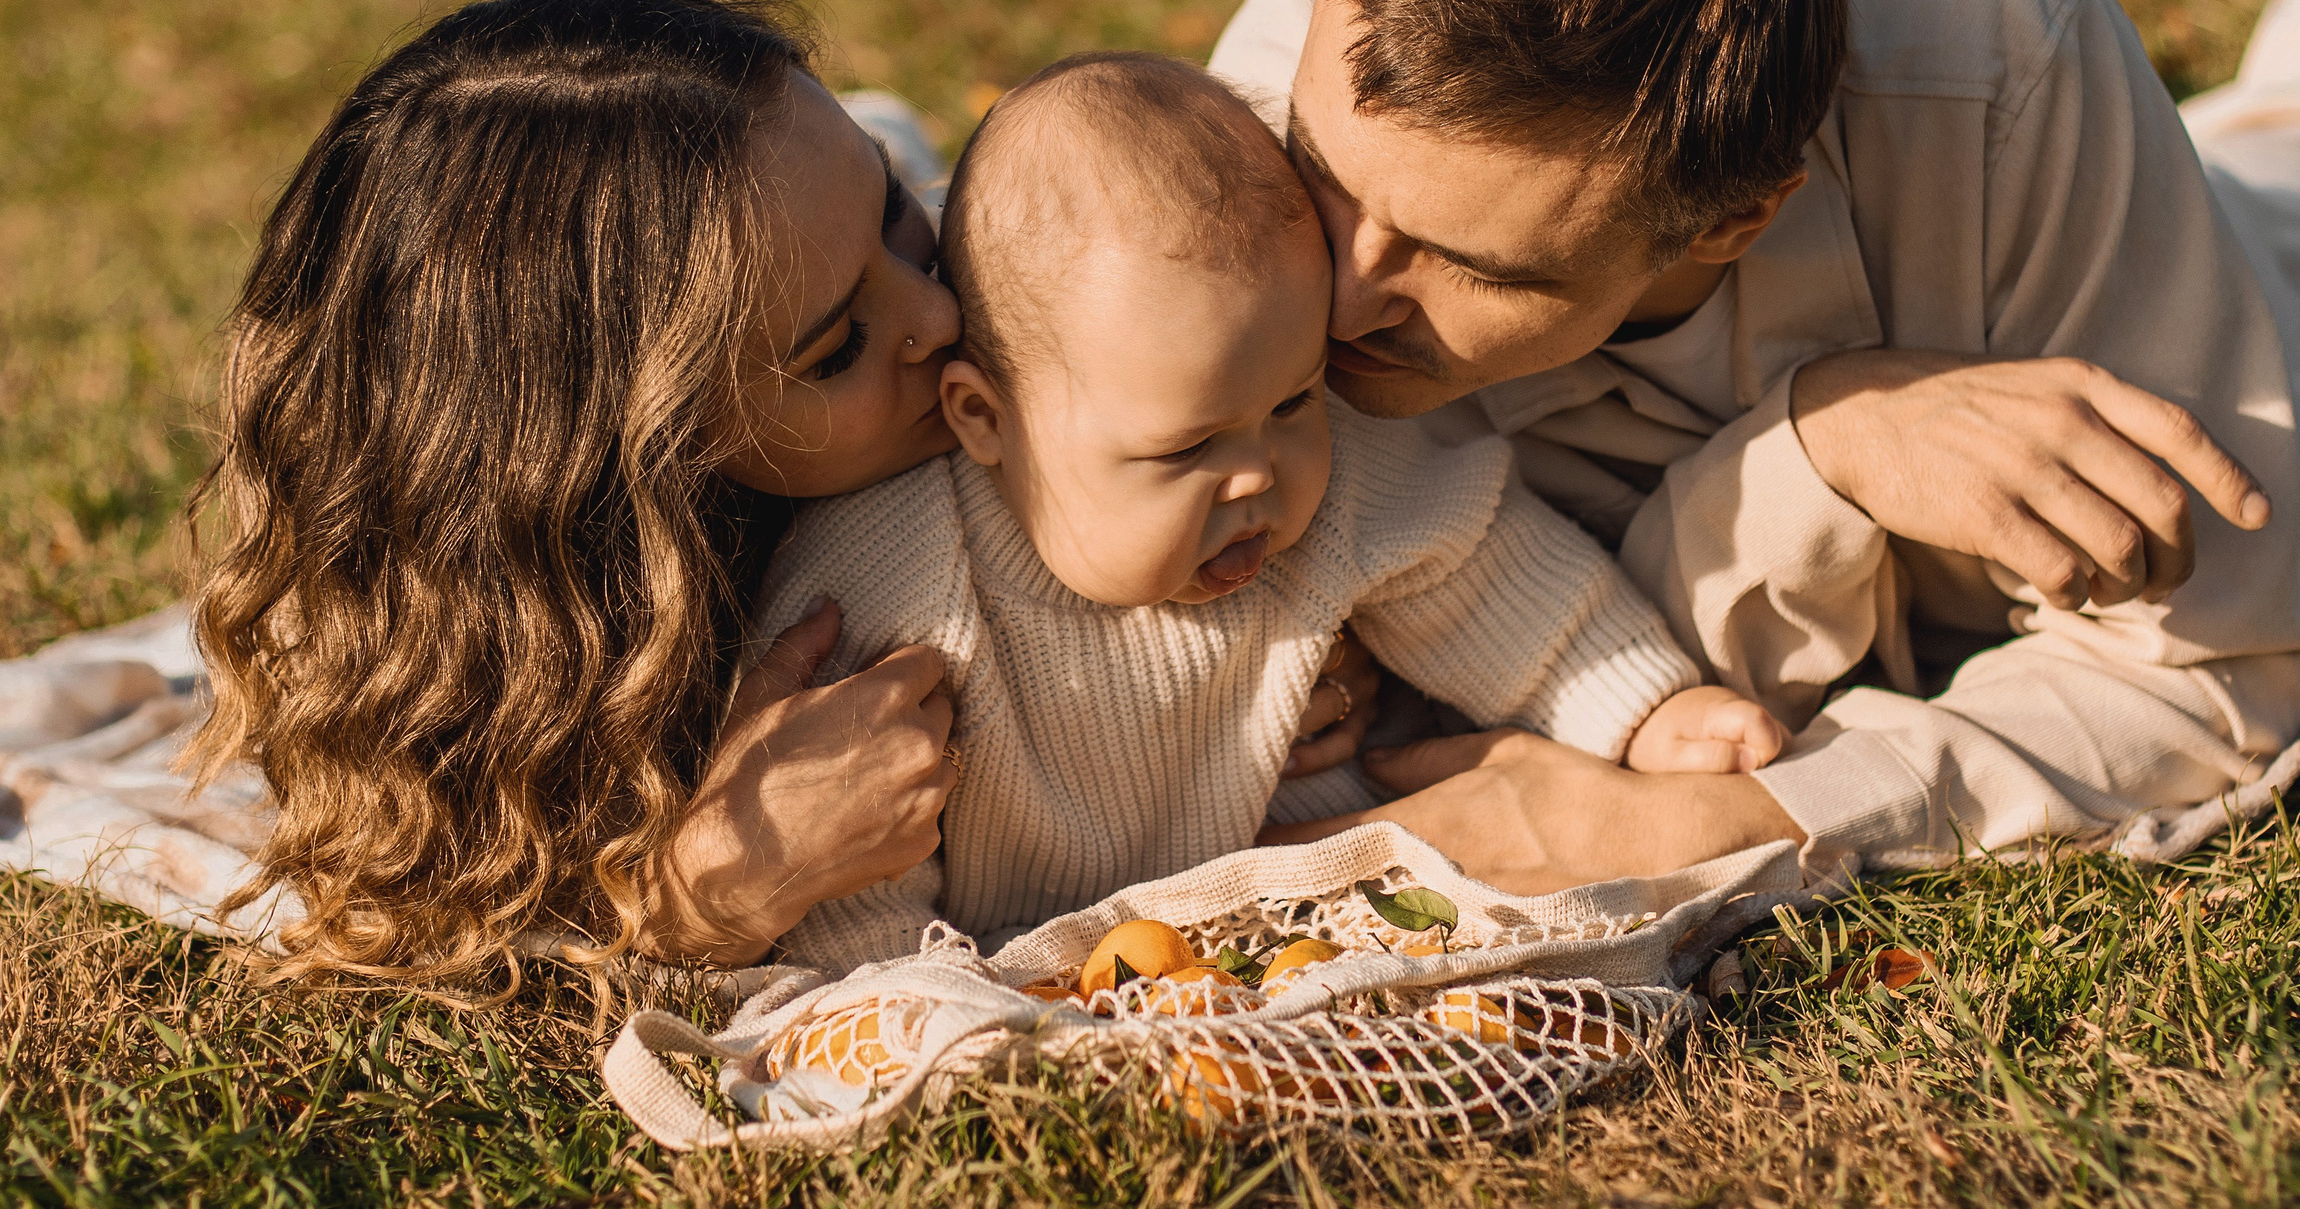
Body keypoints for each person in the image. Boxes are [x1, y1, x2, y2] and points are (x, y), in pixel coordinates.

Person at [1227, 0, 2300, 890]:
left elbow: (2209, 671)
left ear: (1739, 215)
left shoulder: (1997, 49)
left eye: (1478, 265)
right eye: (1330, 183)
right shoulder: (1245, 133)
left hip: (2225, 257)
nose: (1334, 295)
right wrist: (1823, 453)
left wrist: (1738, 812)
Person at [181, 0, 1367, 982]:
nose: (943, 315)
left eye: (902, 223)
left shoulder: (934, 307)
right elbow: (422, 925)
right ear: (635, 460)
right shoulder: (495, 630)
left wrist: (1247, 665)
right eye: (837, 344)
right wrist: (708, 892)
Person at [741, 52, 1784, 971]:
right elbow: (849, 834)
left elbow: (1484, 569)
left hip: (1313, 906)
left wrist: (1639, 707)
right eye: (1187, 448)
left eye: (1292, 402)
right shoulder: (891, 586)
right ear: (985, 418)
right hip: (1017, 953)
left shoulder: (1337, 485)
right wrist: (892, 981)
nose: (1259, 475)